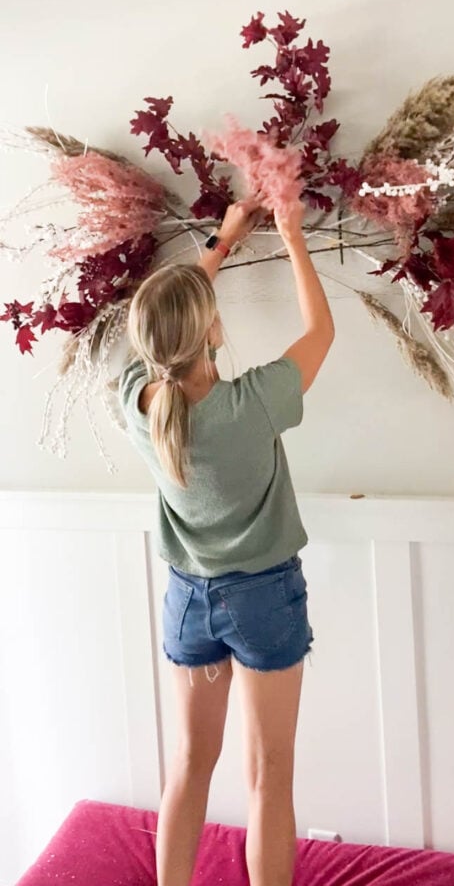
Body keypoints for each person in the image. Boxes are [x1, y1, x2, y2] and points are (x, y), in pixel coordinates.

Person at [118, 197, 335, 886]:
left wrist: (220, 242)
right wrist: (293, 238)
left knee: (187, 764)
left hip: (188, 603)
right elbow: (320, 330)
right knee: (269, 773)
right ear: (213, 329)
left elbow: (168, 331)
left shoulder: (135, 402)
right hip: (264, 600)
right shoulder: (255, 402)